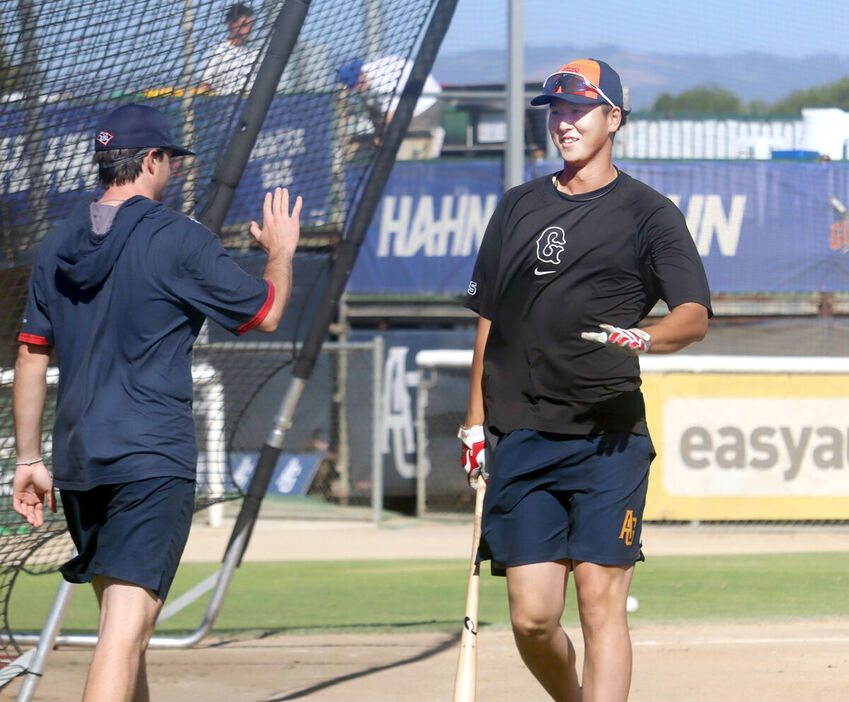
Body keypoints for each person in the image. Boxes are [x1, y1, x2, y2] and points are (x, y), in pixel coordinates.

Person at [12, 102, 301, 702]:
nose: (172, 168)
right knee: (123, 631)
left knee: (128, 626)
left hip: (78, 460)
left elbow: (30, 358)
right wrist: (282, 251)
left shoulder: (55, 246)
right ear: (149, 160)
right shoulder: (178, 237)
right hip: (149, 456)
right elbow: (267, 311)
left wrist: (27, 459)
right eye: (169, 158)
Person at [459, 58, 711, 702]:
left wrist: (647, 337)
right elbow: (490, 318)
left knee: (601, 603)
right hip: (521, 433)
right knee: (532, 617)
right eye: (555, 110)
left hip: (608, 438)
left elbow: (694, 314)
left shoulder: (649, 214)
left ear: (613, 119)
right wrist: (473, 421)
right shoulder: (517, 206)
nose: (563, 122)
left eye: (578, 110)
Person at [337, 55, 443, 145]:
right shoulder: (364, 84)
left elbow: (391, 116)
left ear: (361, 74)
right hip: (403, 104)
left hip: (426, 103)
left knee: (411, 141)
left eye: (357, 83)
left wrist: (381, 137)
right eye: (353, 86)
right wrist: (378, 135)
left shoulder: (384, 80)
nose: (357, 87)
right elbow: (373, 109)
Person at [198, 3, 259, 95]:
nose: (249, 29)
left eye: (251, 25)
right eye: (245, 25)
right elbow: (204, 85)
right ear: (232, 24)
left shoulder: (255, 52)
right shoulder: (219, 51)